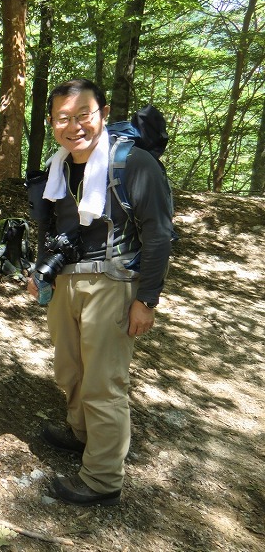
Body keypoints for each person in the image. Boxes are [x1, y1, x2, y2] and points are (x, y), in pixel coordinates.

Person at [27, 78, 172, 506]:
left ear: (103, 114)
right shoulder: (58, 166)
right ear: (52, 123)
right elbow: (52, 228)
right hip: (66, 282)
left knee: (104, 382)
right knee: (69, 369)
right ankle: (81, 433)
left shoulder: (133, 163)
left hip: (112, 282)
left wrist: (146, 300)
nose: (74, 126)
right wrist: (41, 270)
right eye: (63, 118)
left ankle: (103, 478)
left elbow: (159, 234)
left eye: (83, 115)